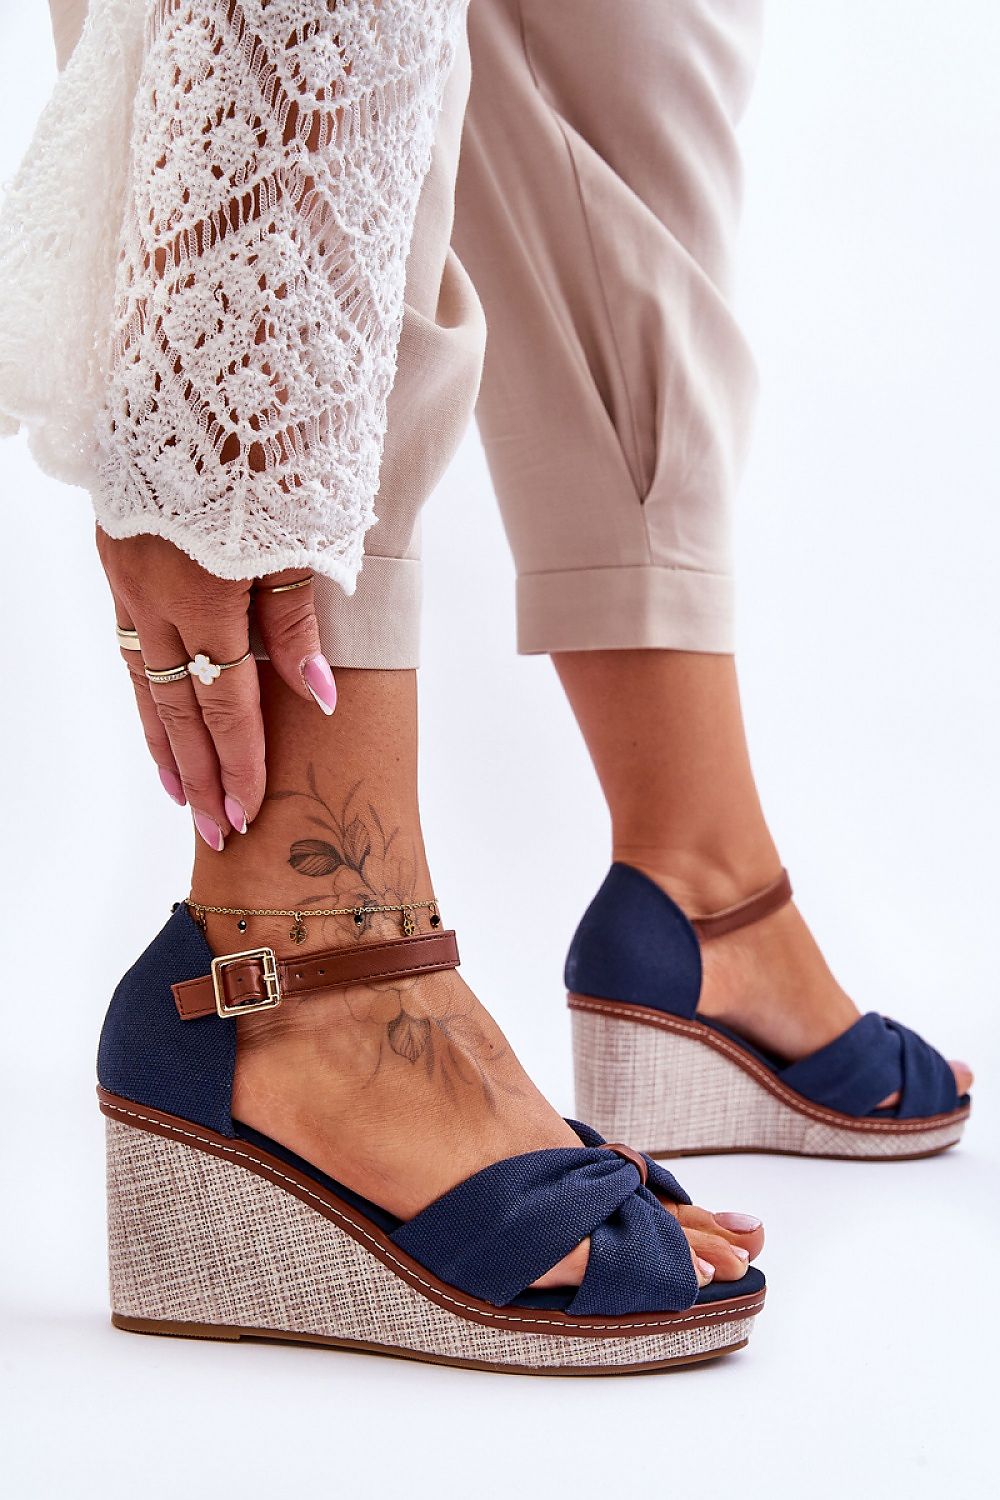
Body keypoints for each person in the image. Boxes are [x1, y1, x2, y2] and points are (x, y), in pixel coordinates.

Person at [0, 1, 970, 1374]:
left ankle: (703, 877)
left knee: (624, 41)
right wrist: (213, 418)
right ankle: (312, 959)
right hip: (292, 923)